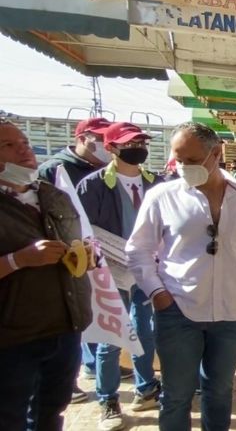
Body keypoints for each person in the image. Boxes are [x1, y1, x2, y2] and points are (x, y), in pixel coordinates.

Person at [125, 122, 236, 431]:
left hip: (232, 314)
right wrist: (158, 293)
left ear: (216, 153)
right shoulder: (163, 196)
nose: (183, 167)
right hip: (178, 312)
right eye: (178, 159)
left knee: (219, 391)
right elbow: (138, 250)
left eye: (192, 160)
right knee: (176, 395)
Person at [0, 119, 93, 430]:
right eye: (8, 145)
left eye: (24, 142)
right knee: (9, 416)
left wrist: (86, 257)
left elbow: (76, 244)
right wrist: (19, 260)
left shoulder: (54, 196)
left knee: (51, 412)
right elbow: (21, 260)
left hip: (65, 327)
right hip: (13, 337)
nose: (23, 149)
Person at [77, 122, 163, 430]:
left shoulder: (157, 182)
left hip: (146, 269)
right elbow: (82, 230)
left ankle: (147, 387)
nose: (138, 148)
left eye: (141, 142)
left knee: (145, 329)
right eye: (129, 144)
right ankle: (108, 399)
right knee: (111, 337)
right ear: (111, 148)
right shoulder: (93, 186)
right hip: (109, 271)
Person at [37, 117, 112, 402]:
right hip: (68, 252)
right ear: (82, 138)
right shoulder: (54, 168)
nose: (105, 146)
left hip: (100, 250)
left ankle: (96, 364)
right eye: (99, 139)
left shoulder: (104, 168)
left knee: (96, 305)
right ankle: (78, 373)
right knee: (77, 309)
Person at [38, 117, 112, 186]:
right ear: (82, 139)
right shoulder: (52, 170)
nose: (108, 144)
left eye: (111, 140)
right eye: (102, 139)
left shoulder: (112, 169)